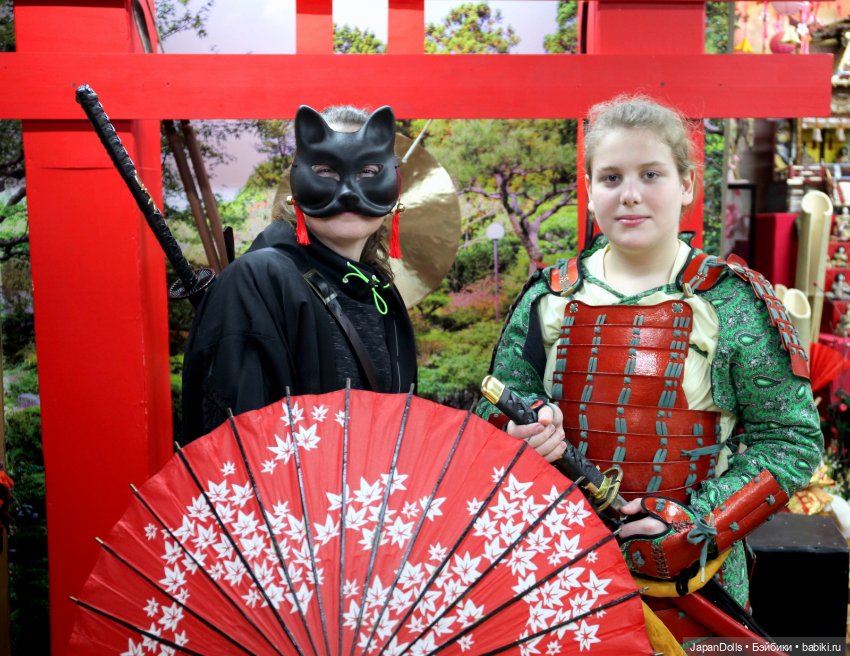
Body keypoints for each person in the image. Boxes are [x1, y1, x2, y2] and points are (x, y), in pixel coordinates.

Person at [476, 95, 821, 642]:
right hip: (563, 572)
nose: (630, 194)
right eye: (611, 177)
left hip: (697, 585)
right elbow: (491, 415)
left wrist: (700, 521)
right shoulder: (549, 296)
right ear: (590, 192)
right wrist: (521, 430)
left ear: (686, 185)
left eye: (651, 174)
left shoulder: (733, 302)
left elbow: (791, 441)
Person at [181, 104, 417, 444]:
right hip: (289, 494)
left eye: (368, 172)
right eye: (325, 171)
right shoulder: (256, 283)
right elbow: (236, 441)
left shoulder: (381, 293)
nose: (349, 192)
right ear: (297, 182)